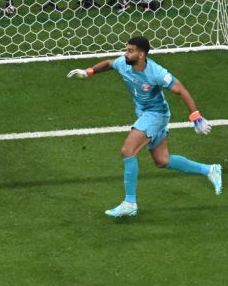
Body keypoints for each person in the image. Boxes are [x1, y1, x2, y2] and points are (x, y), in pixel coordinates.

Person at [66, 36, 223, 218]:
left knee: (127, 150)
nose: (126, 53)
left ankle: (129, 203)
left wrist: (196, 117)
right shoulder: (124, 63)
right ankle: (210, 169)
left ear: (141, 54)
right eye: (126, 49)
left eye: (130, 50)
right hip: (143, 114)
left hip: (156, 115)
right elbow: (109, 63)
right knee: (162, 160)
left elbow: (181, 90)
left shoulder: (156, 72)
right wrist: (88, 72)